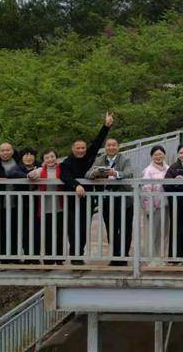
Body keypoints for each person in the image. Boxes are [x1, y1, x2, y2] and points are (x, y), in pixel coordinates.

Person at [60, 112, 113, 264]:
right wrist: (76, 185)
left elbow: (97, 142)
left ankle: (80, 255)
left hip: (87, 201)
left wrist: (106, 126)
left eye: (83, 148)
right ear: (73, 149)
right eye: (78, 148)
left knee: (84, 229)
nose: (81, 150)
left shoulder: (89, 157)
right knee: (73, 230)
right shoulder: (66, 163)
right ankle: (75, 257)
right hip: (71, 201)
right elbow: (65, 176)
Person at [85, 138, 133, 266]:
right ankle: (115, 256)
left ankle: (124, 256)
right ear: (105, 147)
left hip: (125, 199)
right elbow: (87, 174)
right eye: (108, 145)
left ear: (118, 147)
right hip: (107, 200)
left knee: (125, 228)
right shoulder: (100, 159)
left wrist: (115, 173)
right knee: (111, 228)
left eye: (114, 145)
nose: (111, 147)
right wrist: (95, 173)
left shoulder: (125, 159)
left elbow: (128, 173)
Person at [27, 149, 65, 264]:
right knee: (48, 234)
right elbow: (30, 175)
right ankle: (49, 259)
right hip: (45, 207)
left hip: (60, 206)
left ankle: (59, 258)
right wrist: (31, 175)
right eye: (47, 158)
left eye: (52, 156)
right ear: (43, 160)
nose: (50, 159)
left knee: (60, 233)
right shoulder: (40, 170)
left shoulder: (62, 169)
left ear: (56, 158)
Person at [8, 147, 41, 262]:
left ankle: (35, 257)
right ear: (21, 157)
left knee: (37, 230)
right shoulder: (17, 168)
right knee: (24, 230)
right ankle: (27, 256)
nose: (29, 157)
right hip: (22, 204)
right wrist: (28, 175)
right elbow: (11, 174)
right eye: (26, 155)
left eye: (31, 155)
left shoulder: (40, 166)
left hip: (37, 203)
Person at [164, 143, 183, 261]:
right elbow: (166, 185)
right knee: (177, 228)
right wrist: (175, 183)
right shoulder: (173, 167)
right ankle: (175, 257)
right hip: (178, 203)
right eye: (181, 153)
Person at [141, 145, 170, 265]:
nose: (158, 157)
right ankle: (151, 258)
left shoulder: (168, 168)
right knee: (152, 233)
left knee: (164, 233)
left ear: (164, 155)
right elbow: (146, 191)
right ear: (152, 156)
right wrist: (149, 209)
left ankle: (160, 257)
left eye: (160, 154)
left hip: (166, 206)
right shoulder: (148, 171)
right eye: (155, 155)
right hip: (154, 207)